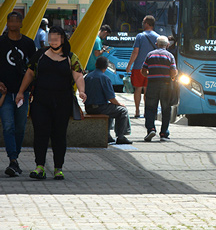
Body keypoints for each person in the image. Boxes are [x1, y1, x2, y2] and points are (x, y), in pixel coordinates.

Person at [16, 26, 86, 181]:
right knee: (41, 133)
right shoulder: (39, 55)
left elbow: (79, 75)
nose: (53, 41)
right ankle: (39, 167)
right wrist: (21, 91)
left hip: (62, 102)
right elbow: (29, 73)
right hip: (41, 101)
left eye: (56, 38)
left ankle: (58, 168)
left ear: (62, 39)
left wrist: (82, 91)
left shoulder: (70, 57)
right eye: (51, 38)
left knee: (59, 135)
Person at [0, 12, 37, 177]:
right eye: (10, 20)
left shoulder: (28, 44)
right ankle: (13, 160)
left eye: (16, 21)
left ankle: (15, 158)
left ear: (21, 23)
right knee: (8, 126)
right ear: (7, 23)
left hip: (22, 93)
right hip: (5, 92)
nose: (13, 23)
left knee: (20, 127)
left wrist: (29, 89)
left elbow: (33, 68)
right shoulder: (1, 42)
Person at [84, 56, 131, 145]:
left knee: (110, 109)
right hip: (99, 108)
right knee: (122, 111)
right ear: (106, 67)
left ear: (95, 65)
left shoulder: (88, 76)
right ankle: (121, 136)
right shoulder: (105, 78)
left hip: (88, 107)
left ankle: (108, 136)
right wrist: (120, 104)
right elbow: (111, 98)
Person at [141, 35, 177, 142]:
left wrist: (150, 76)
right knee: (166, 109)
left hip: (152, 84)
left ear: (156, 44)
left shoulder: (150, 55)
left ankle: (151, 129)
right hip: (166, 85)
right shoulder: (170, 56)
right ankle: (163, 133)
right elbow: (173, 72)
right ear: (167, 45)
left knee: (150, 107)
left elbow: (143, 71)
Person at [125, 16, 158, 118]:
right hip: (151, 68)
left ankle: (137, 111)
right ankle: (147, 111)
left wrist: (129, 65)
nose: (142, 24)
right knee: (148, 90)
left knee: (138, 89)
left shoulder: (140, 36)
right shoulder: (158, 36)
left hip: (138, 67)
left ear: (147, 23)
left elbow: (135, 52)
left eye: (144, 22)